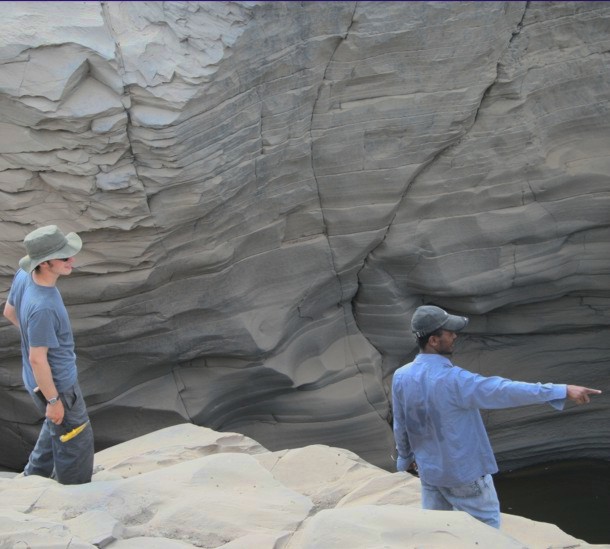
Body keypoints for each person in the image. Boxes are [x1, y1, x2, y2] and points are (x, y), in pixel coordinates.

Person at [392, 304, 601, 529]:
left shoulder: (401, 376)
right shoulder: (455, 380)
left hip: (431, 474)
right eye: (449, 331)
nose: (455, 335)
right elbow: (503, 390)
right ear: (433, 340)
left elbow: (401, 423)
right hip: (465, 476)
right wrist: (562, 390)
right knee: (487, 533)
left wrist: (405, 458)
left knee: (438, 531)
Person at [3, 225, 94, 484]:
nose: (71, 261)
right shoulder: (43, 306)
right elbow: (37, 358)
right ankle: (75, 491)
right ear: (44, 263)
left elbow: (9, 313)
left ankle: (33, 477)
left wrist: (36, 337)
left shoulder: (24, 274)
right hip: (57, 386)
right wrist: (54, 400)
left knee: (56, 426)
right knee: (75, 439)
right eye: (64, 257)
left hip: (34, 379)